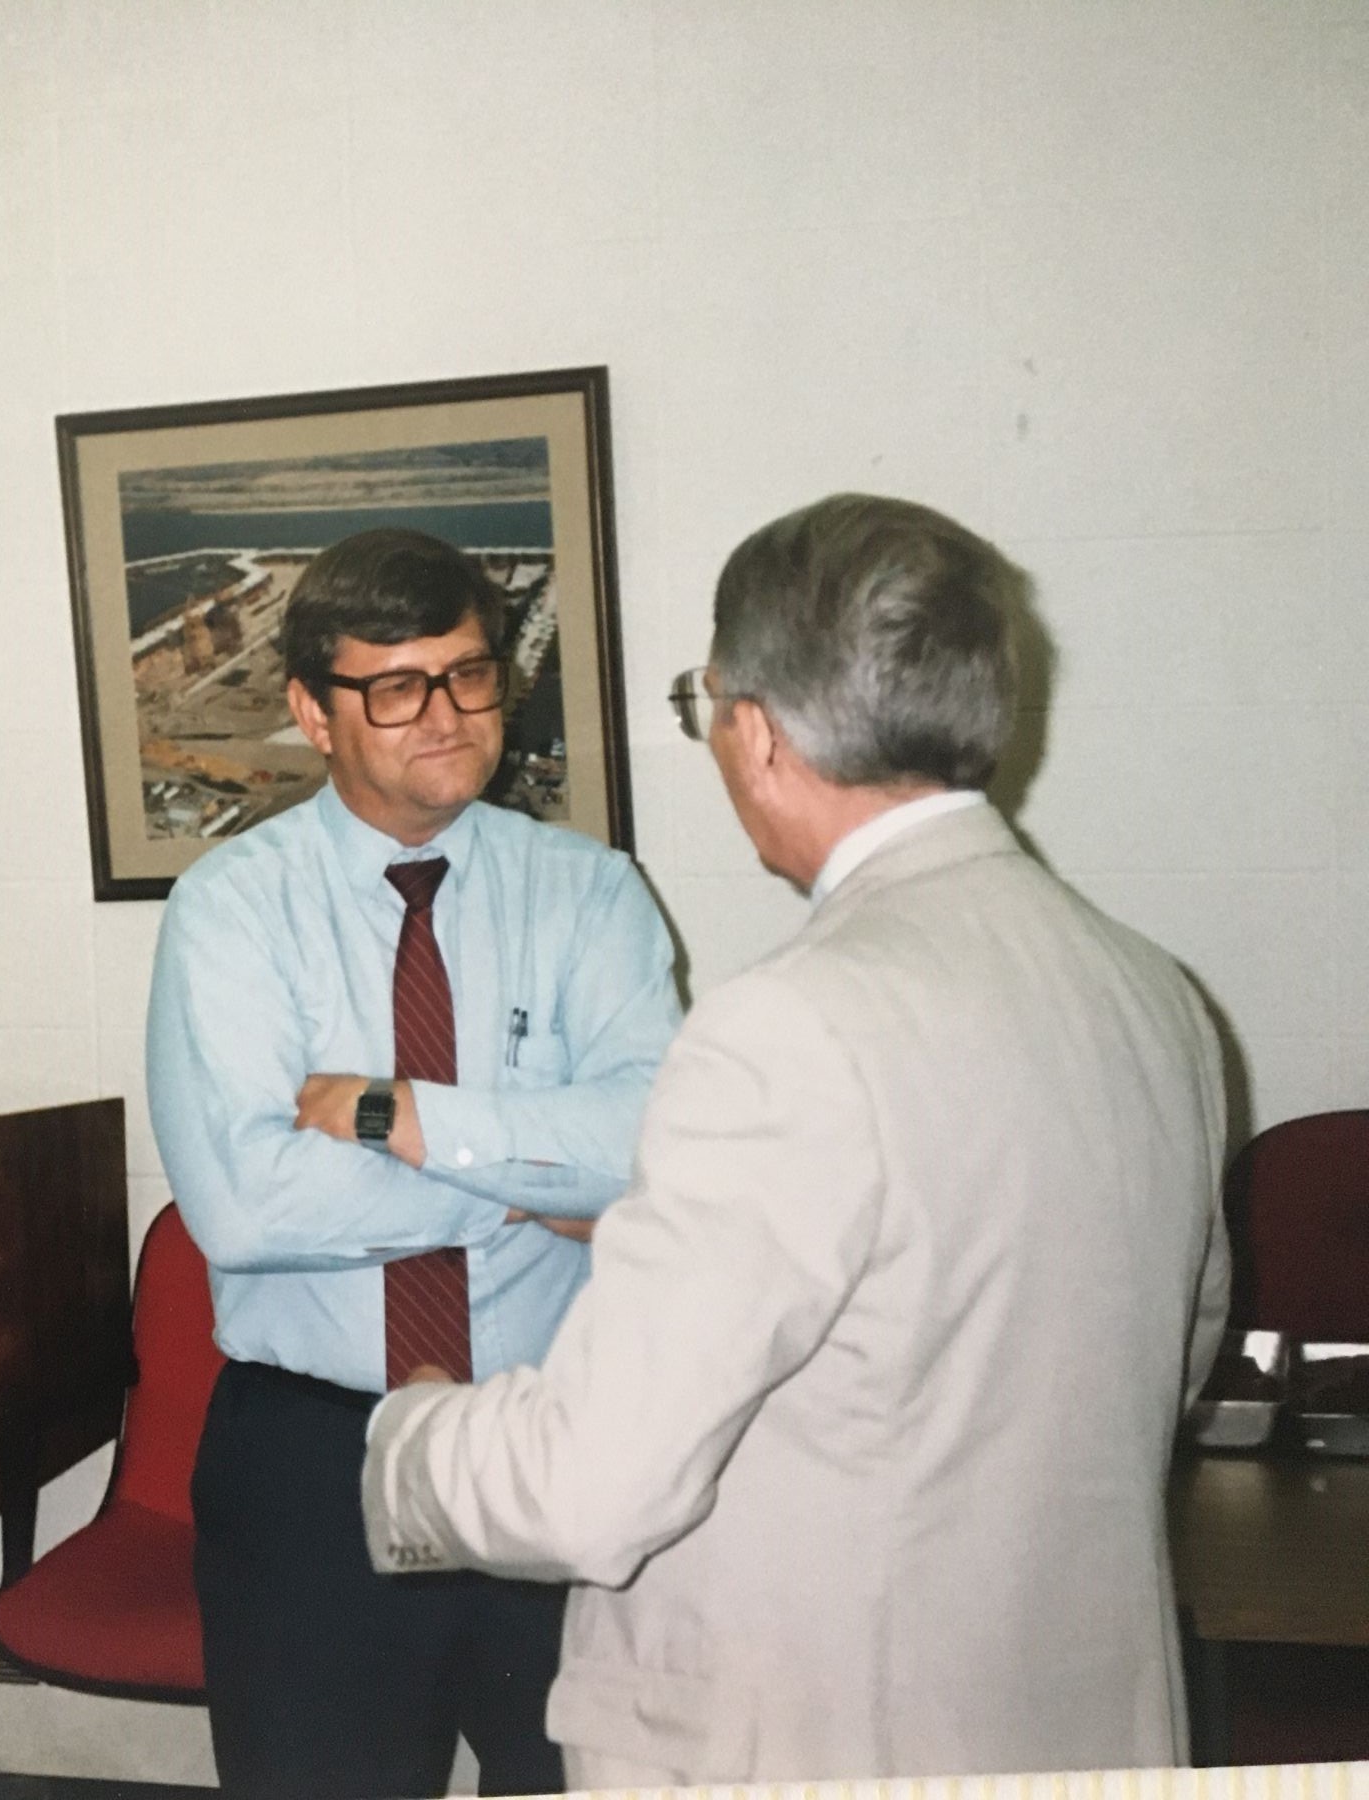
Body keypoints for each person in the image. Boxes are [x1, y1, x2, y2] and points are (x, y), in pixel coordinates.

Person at [361, 494, 1231, 1784]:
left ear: (755, 730)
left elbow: (591, 1490)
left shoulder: (788, 1026)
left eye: (704, 706)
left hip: (821, 1732)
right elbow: (1175, 1354)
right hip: (1076, 1723)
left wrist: (412, 1443)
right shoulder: (1154, 994)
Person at [147, 528, 680, 1798]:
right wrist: (532, 1177)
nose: (441, 714)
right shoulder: (231, 908)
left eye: (467, 673)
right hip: (313, 1462)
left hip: (553, 1436)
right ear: (311, 713)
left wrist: (396, 1115)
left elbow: (657, 1149)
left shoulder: (594, 894)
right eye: (394, 686)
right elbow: (243, 1203)